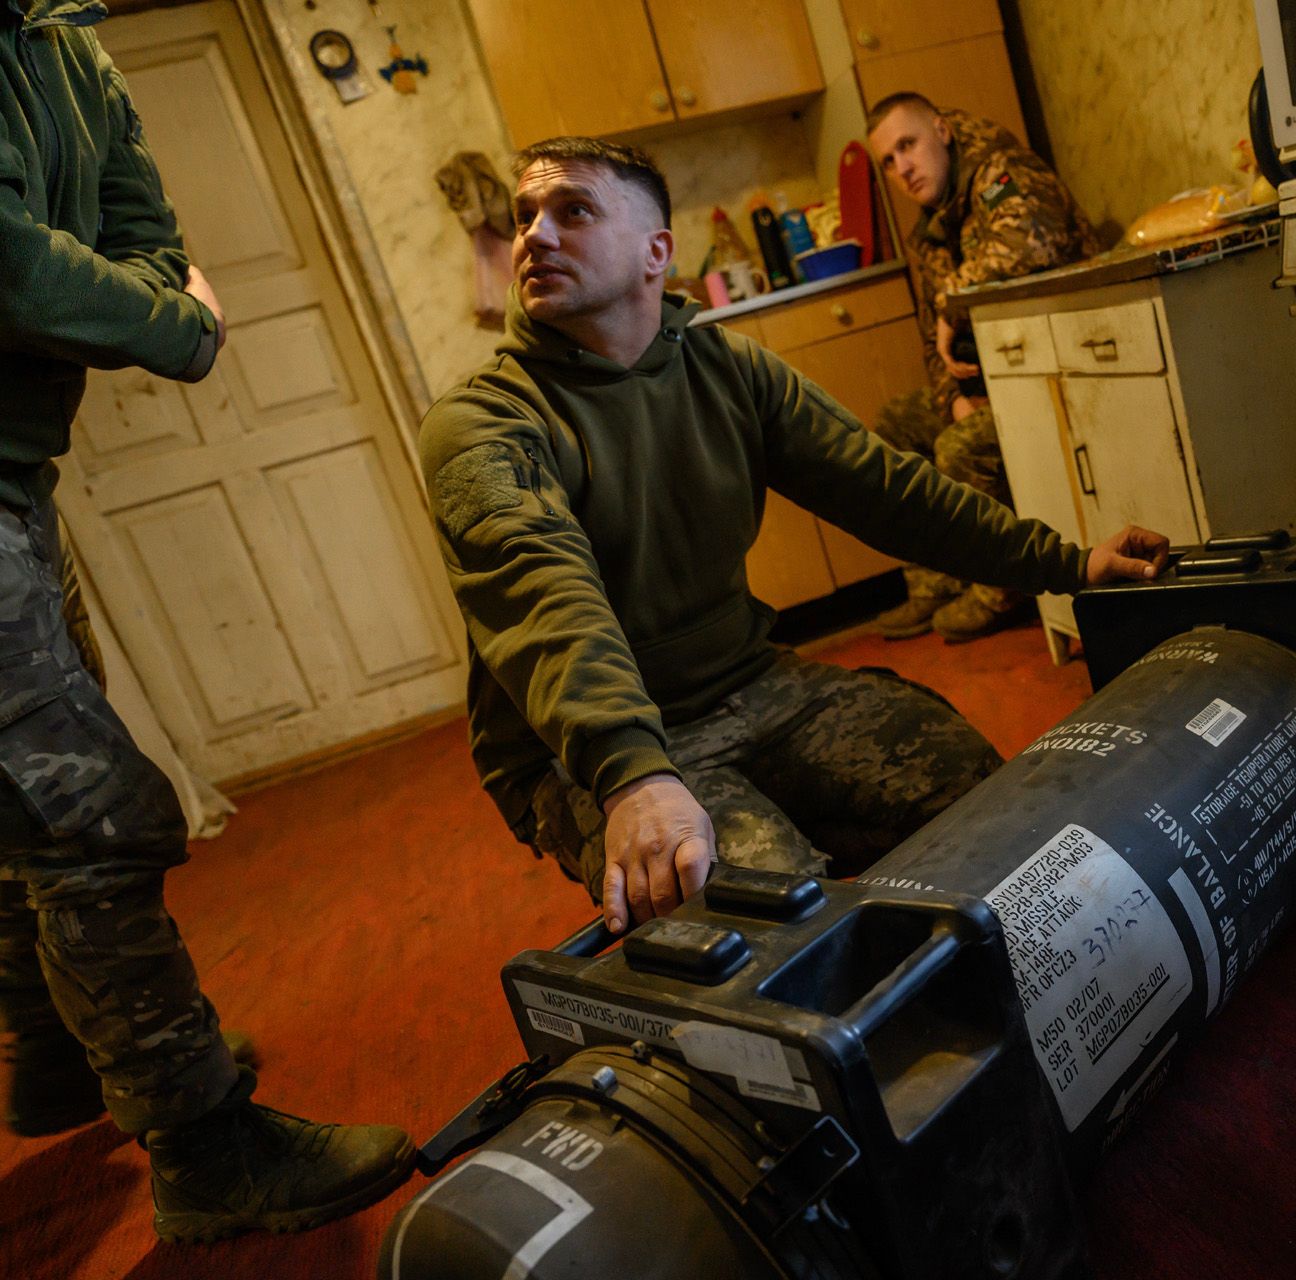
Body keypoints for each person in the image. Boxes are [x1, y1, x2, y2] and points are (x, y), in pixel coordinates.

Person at [419, 136, 1167, 935]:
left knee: (976, 792)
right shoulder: (480, 424)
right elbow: (548, 605)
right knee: (773, 921)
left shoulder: (729, 369)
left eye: (573, 211)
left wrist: (1069, 563)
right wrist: (632, 776)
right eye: (526, 215)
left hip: (750, 682)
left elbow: (889, 492)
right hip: (586, 749)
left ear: (655, 253)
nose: (534, 235)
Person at [0, 0, 412, 1242]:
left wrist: (135, 296)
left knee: (23, 800)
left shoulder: (68, 42)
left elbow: (146, 232)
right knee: (86, 809)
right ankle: (203, 1143)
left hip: (17, 474)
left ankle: (58, 1054)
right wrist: (176, 319)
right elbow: (18, 266)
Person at [865, 92, 1102, 643]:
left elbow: (1033, 238)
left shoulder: (1000, 172)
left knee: (960, 447)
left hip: (1055, 371)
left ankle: (1000, 588)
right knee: (895, 427)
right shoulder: (931, 227)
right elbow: (931, 339)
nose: (903, 167)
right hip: (990, 383)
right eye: (889, 161)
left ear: (942, 130)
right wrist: (952, 398)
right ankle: (935, 584)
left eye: (908, 145)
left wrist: (952, 300)